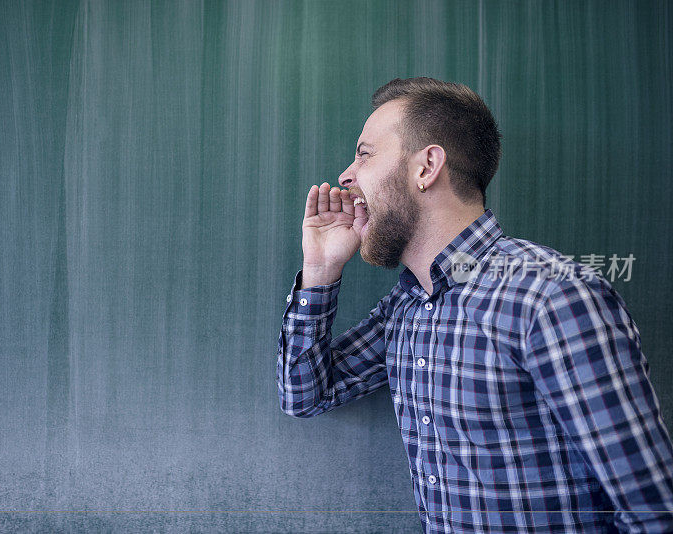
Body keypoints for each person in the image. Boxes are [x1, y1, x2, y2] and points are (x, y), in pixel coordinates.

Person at [276, 77, 673, 533]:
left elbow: (653, 510)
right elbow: (304, 395)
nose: (346, 176)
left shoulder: (549, 296)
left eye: (364, 154)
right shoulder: (406, 307)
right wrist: (320, 271)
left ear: (427, 166)